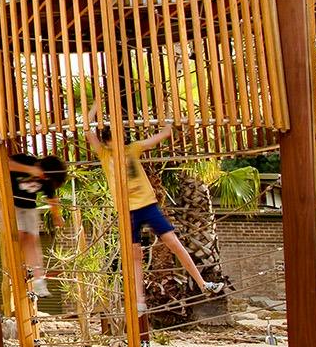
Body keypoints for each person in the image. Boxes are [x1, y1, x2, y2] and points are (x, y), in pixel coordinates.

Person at [84, 102, 223, 321]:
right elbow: (87, 128)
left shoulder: (133, 149)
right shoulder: (104, 154)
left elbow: (163, 134)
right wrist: (96, 106)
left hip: (147, 206)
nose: (120, 142)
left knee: (174, 243)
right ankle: (140, 301)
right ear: (108, 141)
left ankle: (203, 283)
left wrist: (167, 117)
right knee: (135, 256)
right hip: (127, 211)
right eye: (115, 139)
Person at [5, 150, 68, 337]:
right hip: (12, 205)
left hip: (29, 208)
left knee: (32, 241)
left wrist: (57, 217)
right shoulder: (27, 161)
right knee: (20, 236)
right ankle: (19, 272)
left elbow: (52, 199)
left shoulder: (47, 181)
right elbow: (5, 163)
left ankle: (39, 279)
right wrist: (31, 170)